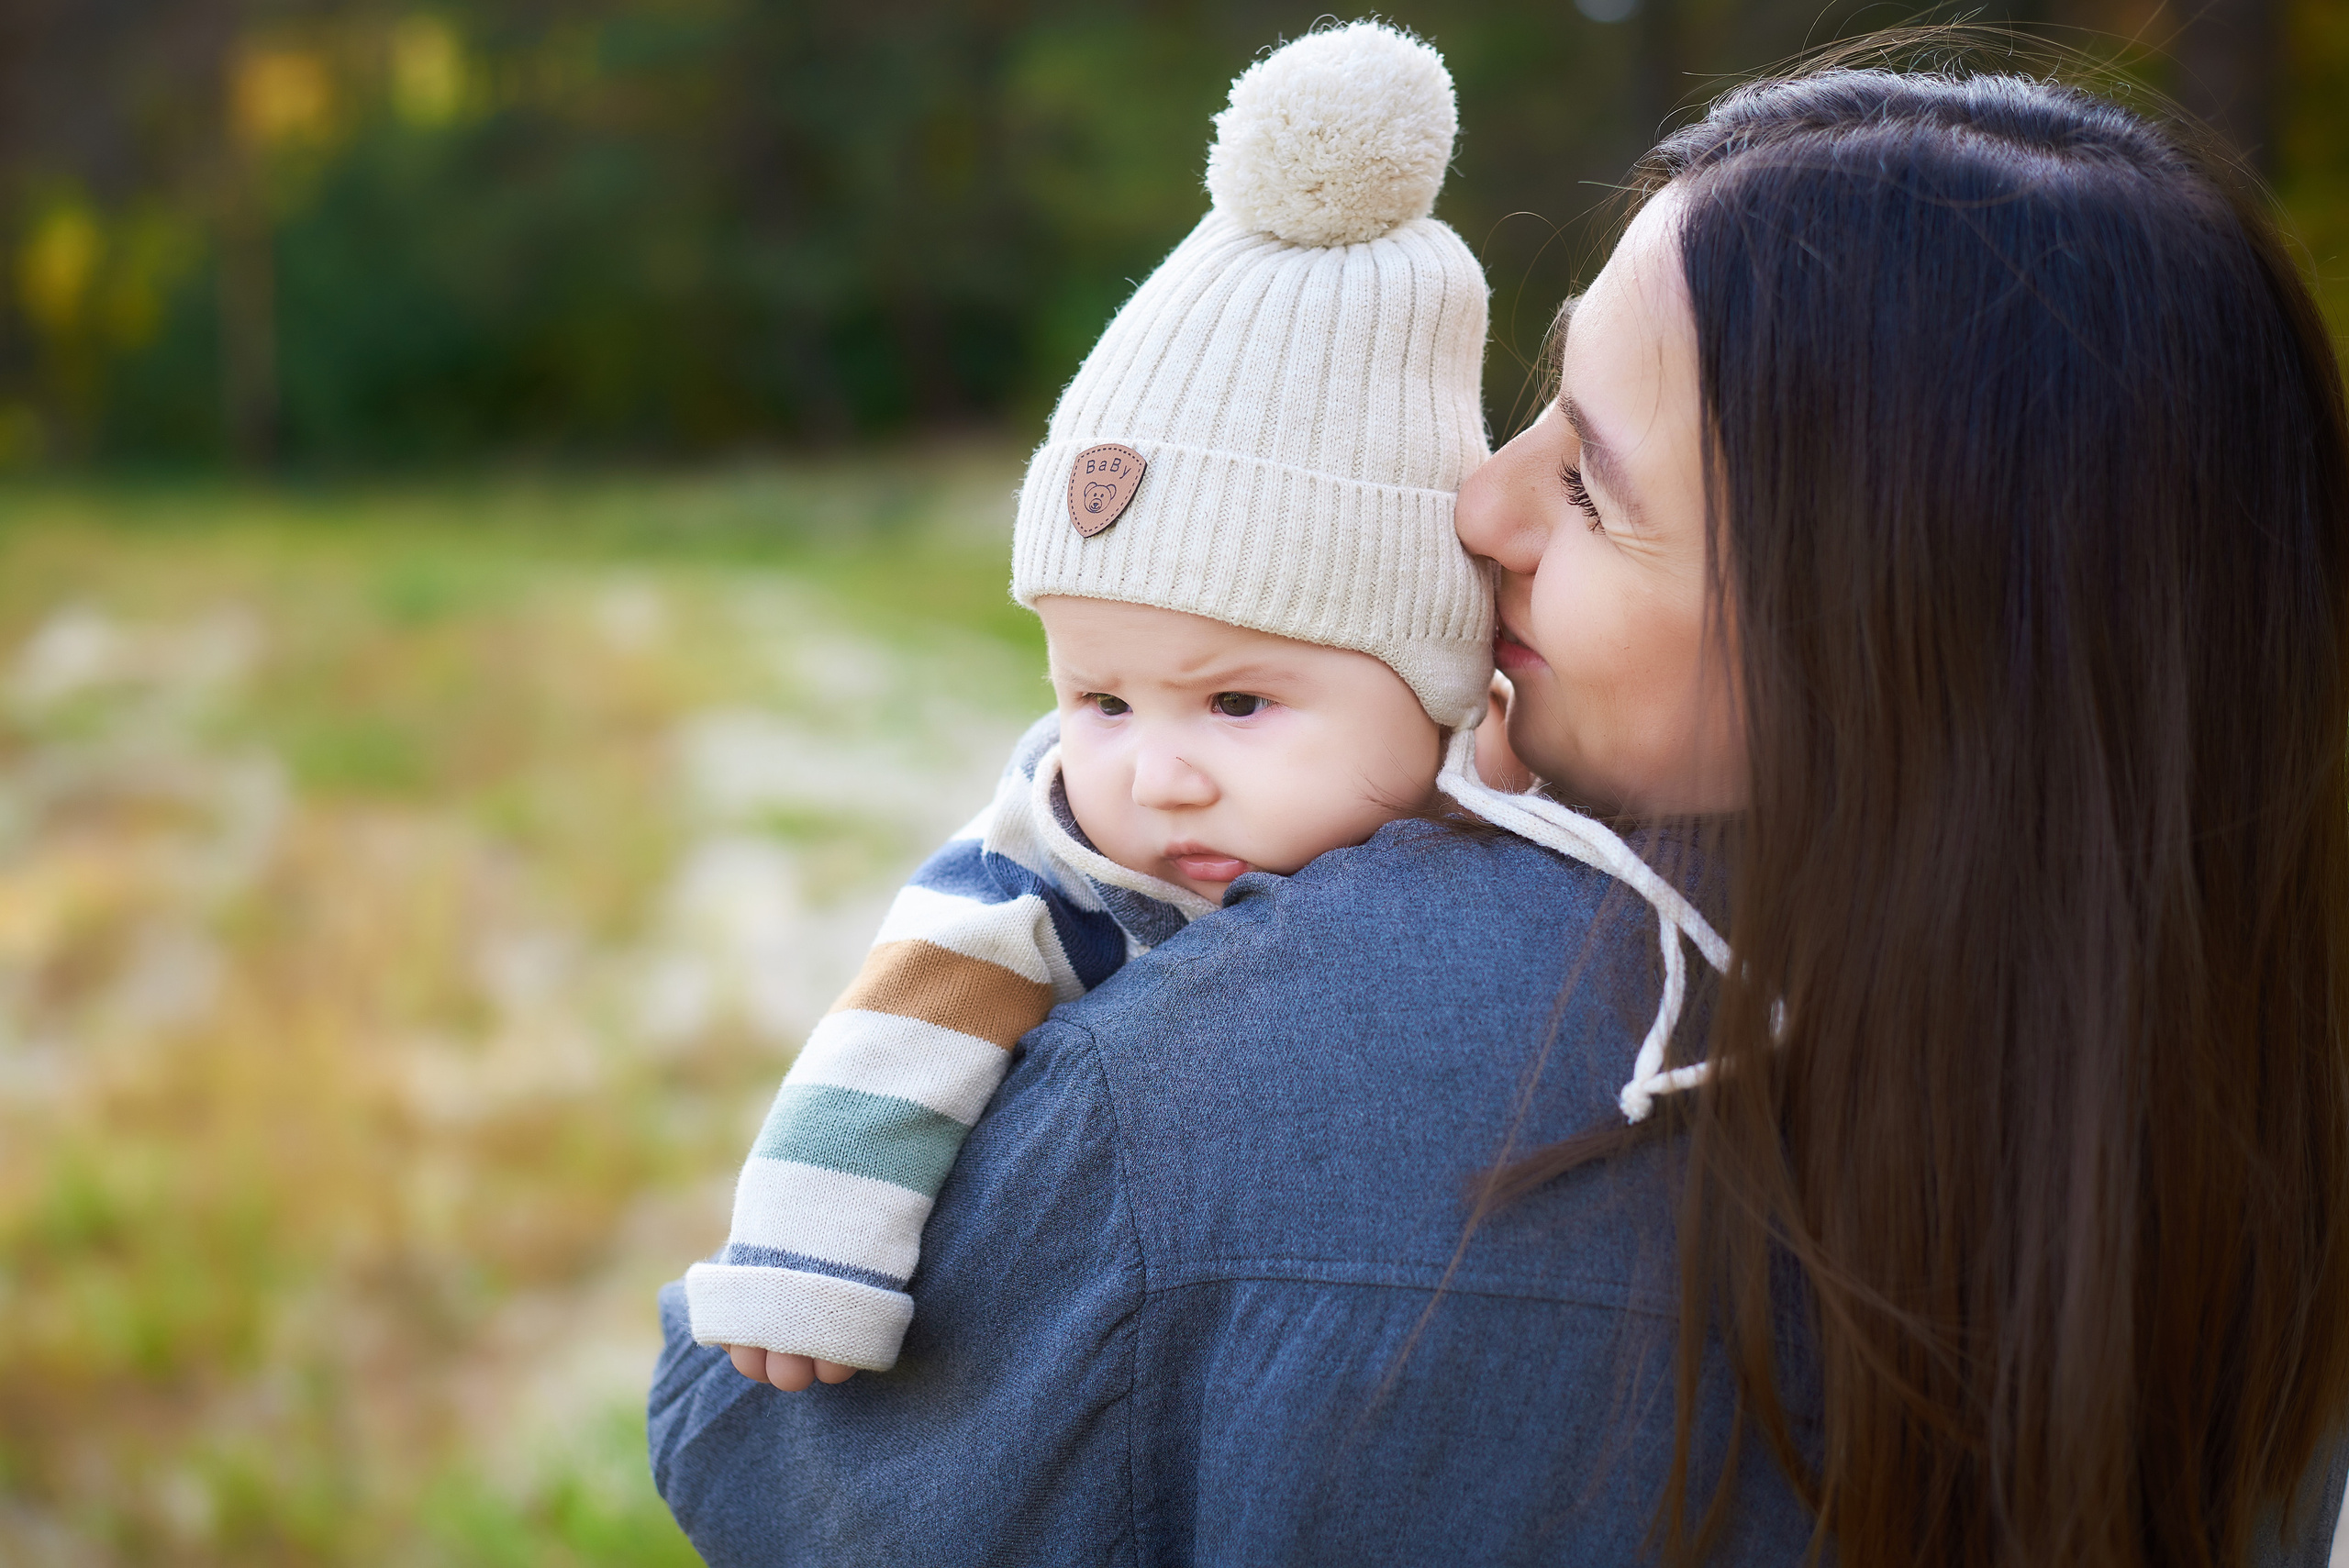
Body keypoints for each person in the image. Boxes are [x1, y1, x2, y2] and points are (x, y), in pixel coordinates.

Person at [651, 58, 2349, 1568]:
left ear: (1893, 632)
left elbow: (768, 1458)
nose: (1482, 501)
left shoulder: (1240, 1055)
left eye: (1590, 480)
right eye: (1530, 411)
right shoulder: (2247, 1101)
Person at [682, 23, 1702, 1391]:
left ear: (1439, 676)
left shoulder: (1517, 797)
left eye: (1236, 701)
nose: (1154, 774)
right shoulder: (1056, 866)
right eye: (1099, 696)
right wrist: (808, 1253)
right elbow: (898, 1031)